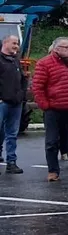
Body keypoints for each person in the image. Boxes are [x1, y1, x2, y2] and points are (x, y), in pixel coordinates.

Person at [33, 37, 68, 181]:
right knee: (52, 141)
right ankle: (53, 172)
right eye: (66, 47)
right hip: (54, 109)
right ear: (56, 49)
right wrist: (45, 106)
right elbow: (38, 87)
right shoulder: (44, 63)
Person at [0, 35, 26, 174]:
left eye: (17, 44)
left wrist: (22, 94)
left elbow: (22, 78)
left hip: (16, 103)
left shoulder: (16, 61)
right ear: (5, 43)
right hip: (3, 102)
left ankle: (11, 161)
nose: (16, 46)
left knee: (12, 134)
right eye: (14, 43)